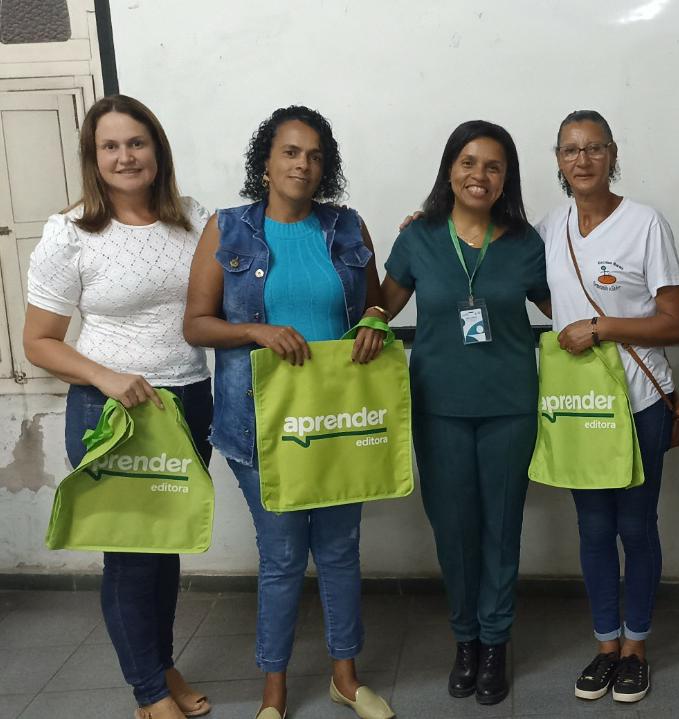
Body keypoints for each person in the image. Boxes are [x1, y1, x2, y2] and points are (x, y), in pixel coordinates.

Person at [182, 105, 394, 719]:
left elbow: (374, 304)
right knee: (280, 557)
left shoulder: (348, 226)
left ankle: (345, 678)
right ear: (267, 162)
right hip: (259, 425)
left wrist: (376, 319)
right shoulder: (227, 229)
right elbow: (195, 325)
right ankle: (273, 691)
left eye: (316, 156)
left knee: (340, 550)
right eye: (291, 152)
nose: (304, 164)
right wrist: (256, 331)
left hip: (338, 421)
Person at [23, 95, 213, 719]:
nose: (125, 156)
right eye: (111, 146)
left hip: (187, 400)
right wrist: (106, 377)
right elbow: (38, 342)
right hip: (112, 412)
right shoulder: (71, 232)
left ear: (157, 149)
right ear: (94, 156)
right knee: (130, 554)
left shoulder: (194, 219)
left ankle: (162, 666)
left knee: (165, 543)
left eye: (137, 142)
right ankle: (148, 693)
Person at [355, 120, 550, 705]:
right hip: (438, 407)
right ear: (449, 169)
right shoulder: (419, 238)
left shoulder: (525, 242)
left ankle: (495, 642)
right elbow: (384, 304)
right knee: (454, 530)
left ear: (507, 178)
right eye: (468, 162)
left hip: (510, 407)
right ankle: (465, 639)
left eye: (493, 166)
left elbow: (564, 307)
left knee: (501, 528)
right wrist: (369, 316)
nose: (479, 175)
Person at [534, 110, 679, 704]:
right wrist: (430, 222)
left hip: (640, 401)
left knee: (636, 525)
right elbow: (522, 277)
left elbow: (677, 322)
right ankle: (606, 645)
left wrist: (601, 327)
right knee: (594, 528)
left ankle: (636, 648)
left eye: (594, 148)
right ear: (558, 159)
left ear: (612, 154)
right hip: (581, 405)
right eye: (570, 150)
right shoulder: (550, 227)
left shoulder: (644, 223)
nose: (582, 159)